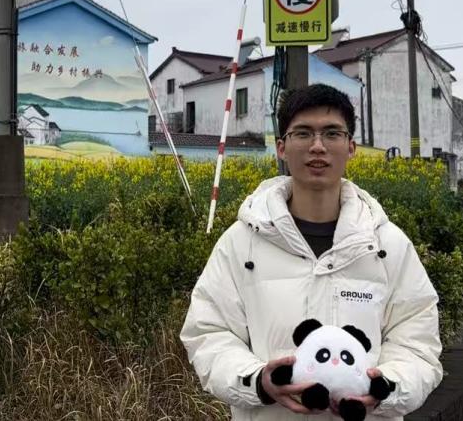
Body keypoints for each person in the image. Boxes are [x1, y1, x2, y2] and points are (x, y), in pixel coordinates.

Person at [181, 84, 442, 420]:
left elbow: (418, 344)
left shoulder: (387, 246)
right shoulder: (240, 243)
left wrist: (384, 388)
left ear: (351, 147)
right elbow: (208, 333)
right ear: (282, 147)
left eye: (332, 133)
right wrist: (257, 382)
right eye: (303, 133)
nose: (318, 146)